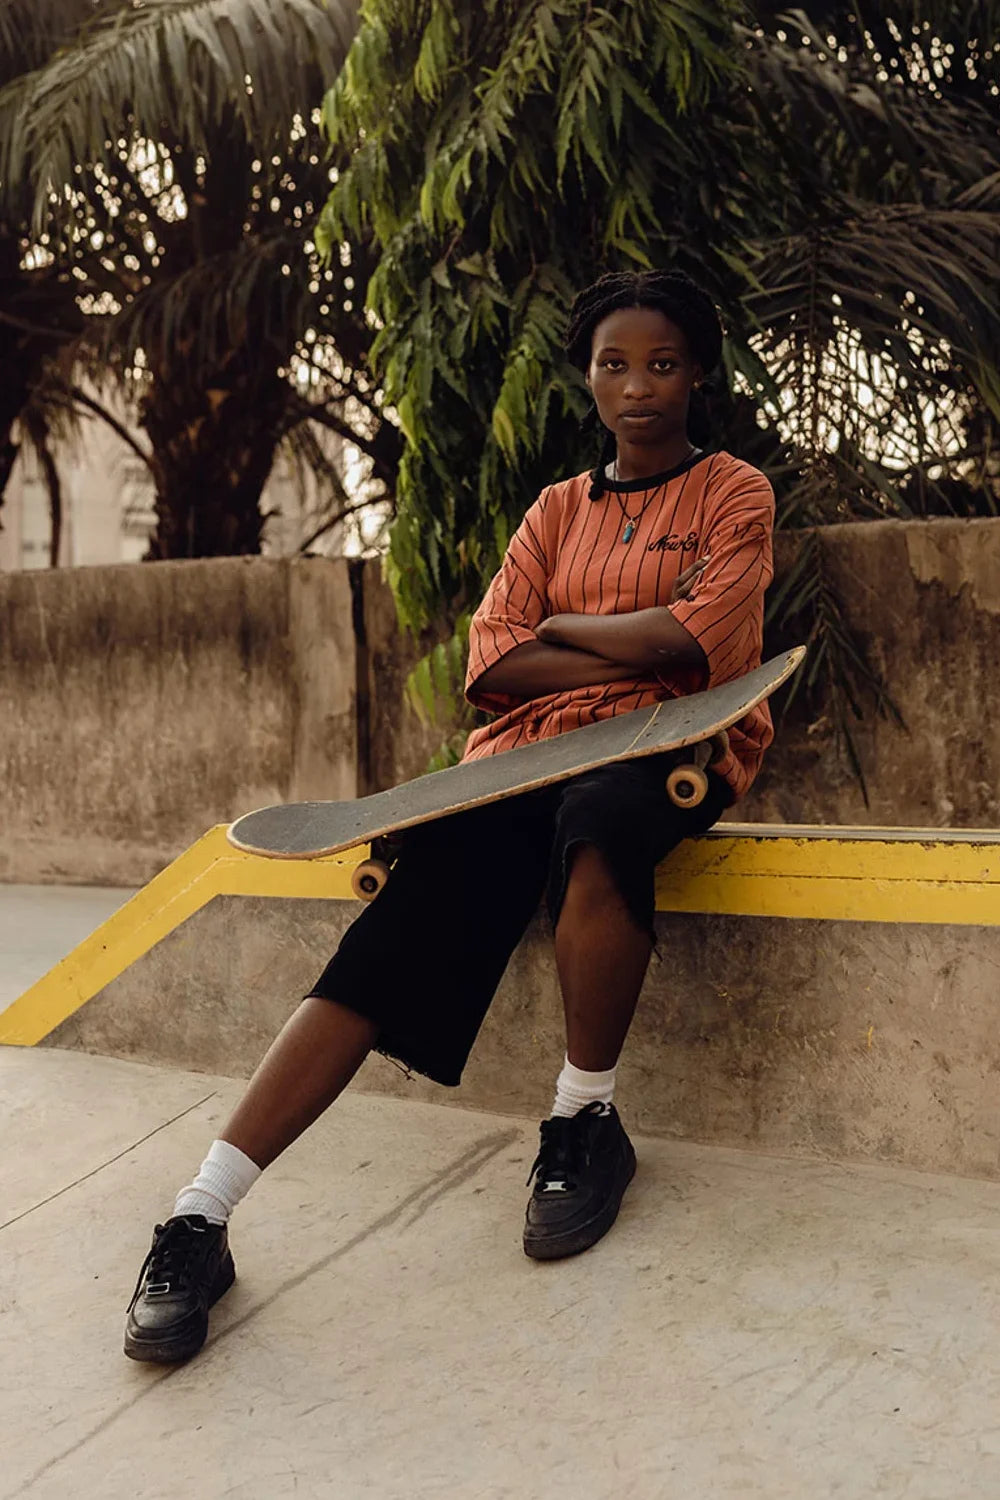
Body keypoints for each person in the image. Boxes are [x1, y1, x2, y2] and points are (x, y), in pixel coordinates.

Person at [124, 268, 775, 1363]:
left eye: (662, 363)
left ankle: (583, 1120)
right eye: (614, 364)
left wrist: (563, 628)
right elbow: (492, 657)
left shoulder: (733, 493)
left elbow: (690, 647)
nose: (638, 386)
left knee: (600, 826)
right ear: (587, 376)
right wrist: (598, 635)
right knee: (401, 924)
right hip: (519, 761)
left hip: (670, 746)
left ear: (697, 373)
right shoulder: (554, 510)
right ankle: (200, 1214)